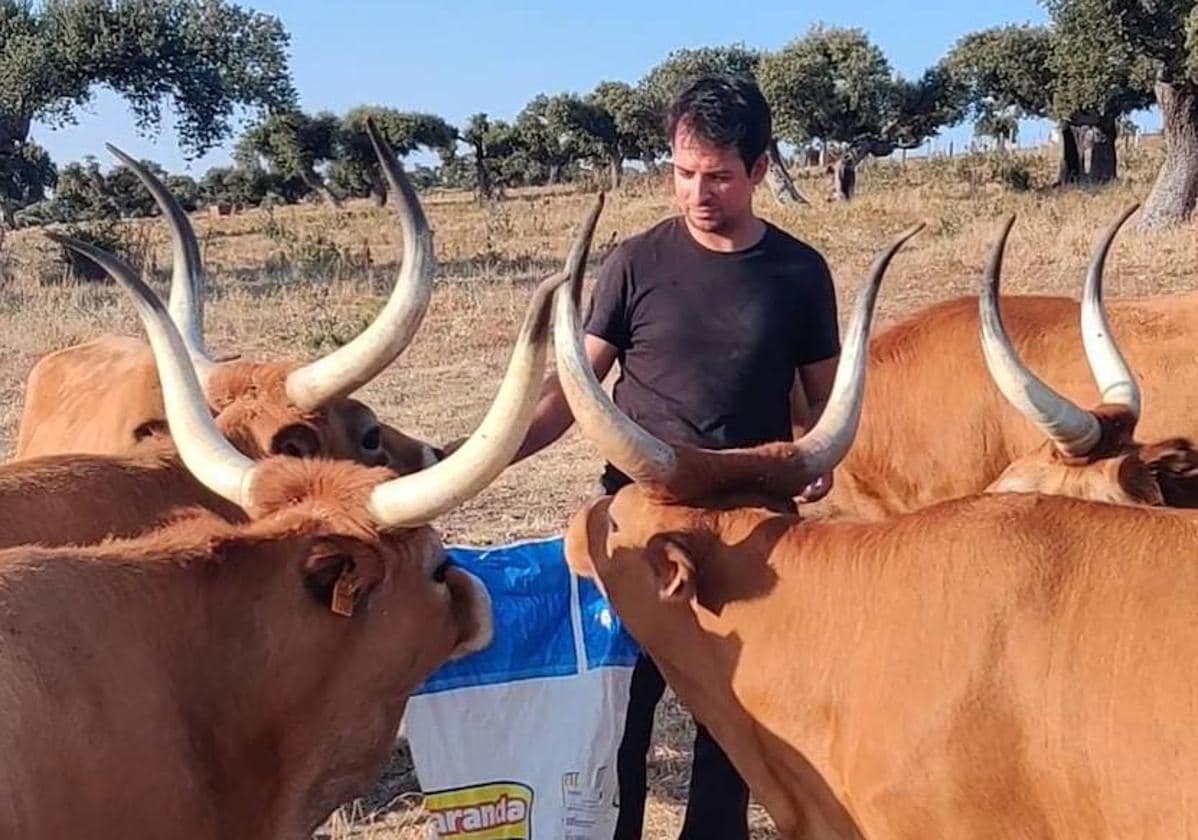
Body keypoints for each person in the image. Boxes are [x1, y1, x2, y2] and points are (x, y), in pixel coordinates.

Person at [510, 73, 841, 839]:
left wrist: (818, 455)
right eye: (684, 173)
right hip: (640, 524)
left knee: (734, 719)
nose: (699, 193)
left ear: (759, 171)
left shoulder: (800, 274)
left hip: (754, 531)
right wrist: (494, 452)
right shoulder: (634, 262)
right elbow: (574, 391)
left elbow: (818, 402)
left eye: (720, 176)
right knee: (623, 707)